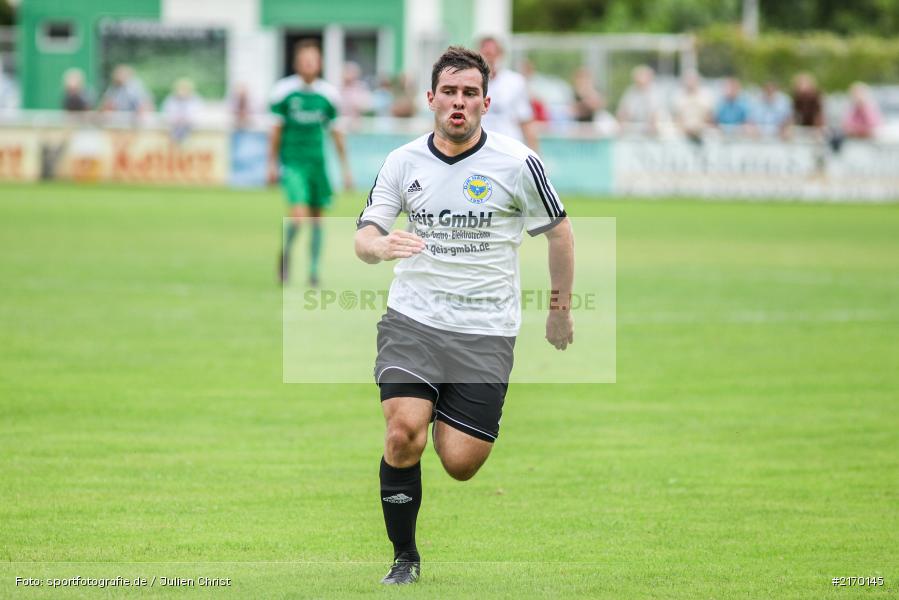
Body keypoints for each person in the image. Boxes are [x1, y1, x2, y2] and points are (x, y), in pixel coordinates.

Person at [354, 46, 575, 585]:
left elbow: (560, 233)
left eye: (469, 93)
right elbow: (365, 235)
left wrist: (559, 310)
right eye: (449, 92)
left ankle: (444, 411)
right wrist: (379, 248)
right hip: (414, 322)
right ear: (430, 99)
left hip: (485, 332)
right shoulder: (403, 161)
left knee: (459, 462)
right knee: (404, 431)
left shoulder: (517, 163)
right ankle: (404, 557)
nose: (459, 102)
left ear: (485, 102)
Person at [269, 40, 353, 286]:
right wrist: (271, 164)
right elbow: (275, 132)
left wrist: (345, 169)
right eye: (304, 60)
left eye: (313, 60)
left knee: (318, 219)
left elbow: (337, 134)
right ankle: (285, 255)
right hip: (294, 164)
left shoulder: (328, 95)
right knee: (298, 217)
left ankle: (314, 272)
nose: (309, 64)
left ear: (320, 64)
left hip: (318, 165)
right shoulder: (283, 92)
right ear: (297, 63)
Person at [478, 36, 540, 151]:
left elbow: (525, 121)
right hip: (480, 150)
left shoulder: (515, 82)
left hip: (509, 148)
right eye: (485, 54)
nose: (489, 59)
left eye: (493, 54)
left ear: (501, 55)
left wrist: (536, 155)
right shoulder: (471, 83)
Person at [616, 65, 667, 135]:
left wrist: (652, 127)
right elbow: (623, 111)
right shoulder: (631, 91)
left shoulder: (657, 92)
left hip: (653, 131)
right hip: (633, 129)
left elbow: (656, 114)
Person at [671, 71, 712, 143]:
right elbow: (677, 118)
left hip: (702, 134)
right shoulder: (678, 97)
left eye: (692, 80)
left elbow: (709, 116)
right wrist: (685, 129)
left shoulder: (705, 96)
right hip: (683, 135)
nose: (690, 83)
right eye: (688, 80)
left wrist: (698, 128)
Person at [161, 78, 202, 143]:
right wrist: (176, 119)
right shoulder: (171, 100)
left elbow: (198, 114)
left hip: (189, 126)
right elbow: (166, 114)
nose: (182, 92)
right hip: (174, 126)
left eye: (185, 89)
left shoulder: (195, 100)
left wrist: (186, 119)